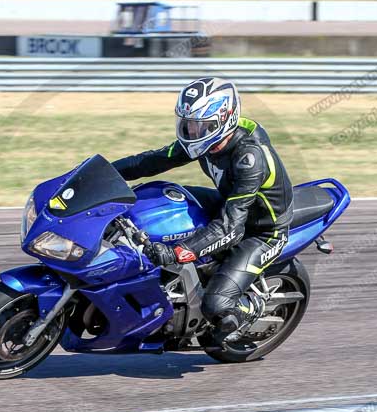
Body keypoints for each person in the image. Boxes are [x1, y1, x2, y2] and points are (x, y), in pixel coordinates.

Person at [112, 77, 294, 341]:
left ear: (224, 121)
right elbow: (150, 161)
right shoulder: (206, 141)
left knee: (216, 305)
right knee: (157, 199)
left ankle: (248, 309)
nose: (191, 133)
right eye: (188, 126)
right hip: (229, 203)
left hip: (262, 231)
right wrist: (102, 172)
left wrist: (177, 252)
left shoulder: (249, 159)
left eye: (199, 127)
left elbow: (231, 228)